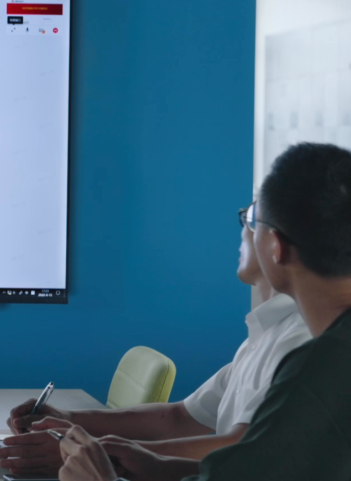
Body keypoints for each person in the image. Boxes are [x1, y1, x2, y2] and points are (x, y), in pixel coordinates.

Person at [53, 142, 351, 481]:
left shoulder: (316, 367)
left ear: (274, 245)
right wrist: (157, 465)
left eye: (251, 220)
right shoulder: (319, 351)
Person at [0, 193, 312, 477]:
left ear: (276, 243)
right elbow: (180, 417)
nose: (242, 229)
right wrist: (68, 418)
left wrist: (93, 453)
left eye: (251, 217)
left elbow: (243, 447)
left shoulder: (299, 342)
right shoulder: (265, 334)